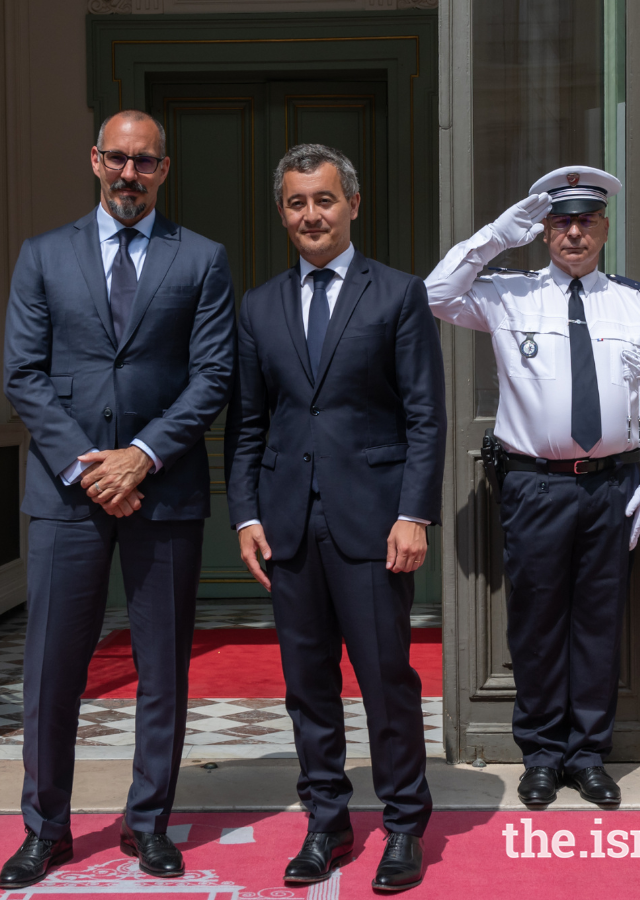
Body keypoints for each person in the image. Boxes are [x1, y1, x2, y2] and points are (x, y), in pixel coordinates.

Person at [0, 110, 235, 887]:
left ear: (165, 170)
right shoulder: (43, 256)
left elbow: (213, 376)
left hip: (162, 494)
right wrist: (90, 467)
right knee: (51, 670)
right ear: (94, 161)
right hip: (66, 497)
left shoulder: (201, 259)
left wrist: (140, 457)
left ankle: (149, 824)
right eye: (117, 160)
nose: (129, 174)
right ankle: (46, 828)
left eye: (145, 162)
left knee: (161, 667)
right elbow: (24, 376)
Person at [225, 144, 447, 893]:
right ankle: (326, 818)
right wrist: (245, 515)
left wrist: (414, 512)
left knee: (387, 680)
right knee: (306, 683)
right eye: (296, 202)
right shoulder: (258, 306)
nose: (310, 215)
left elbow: (425, 417)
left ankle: (405, 823)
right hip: (289, 527)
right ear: (282, 212)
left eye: (323, 200)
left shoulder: (397, 295)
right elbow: (248, 424)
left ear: (353, 204)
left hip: (375, 524)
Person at [423, 166, 640, 808]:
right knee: (537, 623)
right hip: (534, 486)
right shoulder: (509, 294)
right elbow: (434, 294)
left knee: (598, 621)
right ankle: (540, 753)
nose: (573, 232)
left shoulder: (637, 302)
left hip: (611, 486)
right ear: (542, 231)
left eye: (585, 221)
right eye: (560, 221)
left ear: (604, 229)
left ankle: (588, 755)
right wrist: (494, 237)